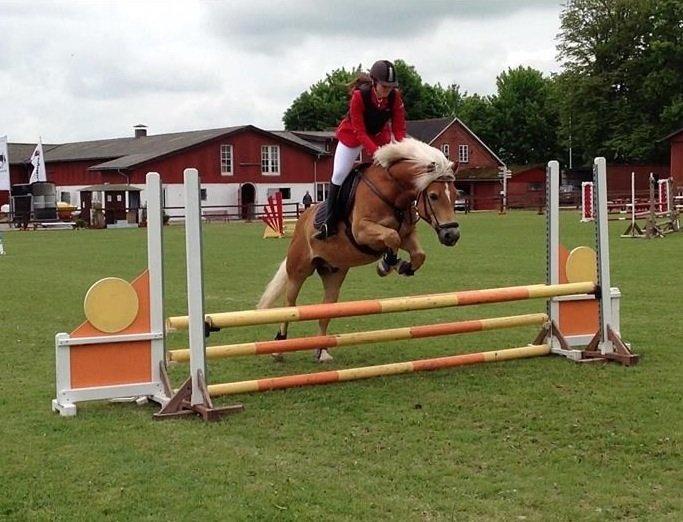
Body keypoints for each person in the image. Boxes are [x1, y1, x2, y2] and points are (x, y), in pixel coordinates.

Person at [313, 59, 407, 240]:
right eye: (384, 86)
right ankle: (329, 221)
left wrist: (401, 149)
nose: (388, 91)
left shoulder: (395, 98)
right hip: (353, 136)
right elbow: (360, 131)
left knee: (392, 171)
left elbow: (399, 129)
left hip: (380, 135)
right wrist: (377, 152)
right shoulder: (359, 96)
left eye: (391, 87)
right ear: (374, 82)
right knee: (339, 174)